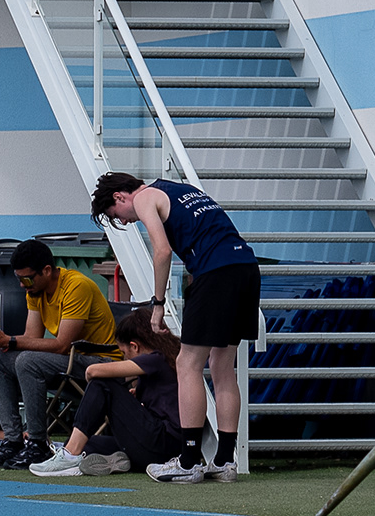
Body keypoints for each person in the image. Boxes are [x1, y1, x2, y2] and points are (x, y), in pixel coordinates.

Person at [93, 171, 260, 474]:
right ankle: (225, 460)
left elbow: (162, 250)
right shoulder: (180, 190)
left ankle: (189, 460)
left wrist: (157, 303)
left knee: (187, 364)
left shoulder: (144, 197)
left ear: (119, 196)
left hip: (216, 273)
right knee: (222, 366)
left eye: (117, 215)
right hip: (246, 268)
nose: (126, 222)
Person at [0, 238, 116, 468]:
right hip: (68, 361)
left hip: (101, 363)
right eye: (18, 279)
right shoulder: (35, 291)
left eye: (26, 279)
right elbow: (32, 338)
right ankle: (13, 441)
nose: (22, 285)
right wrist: (0, 341)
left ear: (46, 270)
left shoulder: (77, 286)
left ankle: (38, 443)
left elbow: (62, 344)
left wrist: (9, 340)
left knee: (28, 361)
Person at [32, 323, 189, 478]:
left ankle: (70, 455)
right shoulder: (168, 359)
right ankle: (118, 460)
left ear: (134, 346)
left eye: (124, 352)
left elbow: (92, 371)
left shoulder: (155, 359)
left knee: (102, 383)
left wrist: (97, 391)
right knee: (86, 443)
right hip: (164, 449)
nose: (124, 357)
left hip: (162, 442)